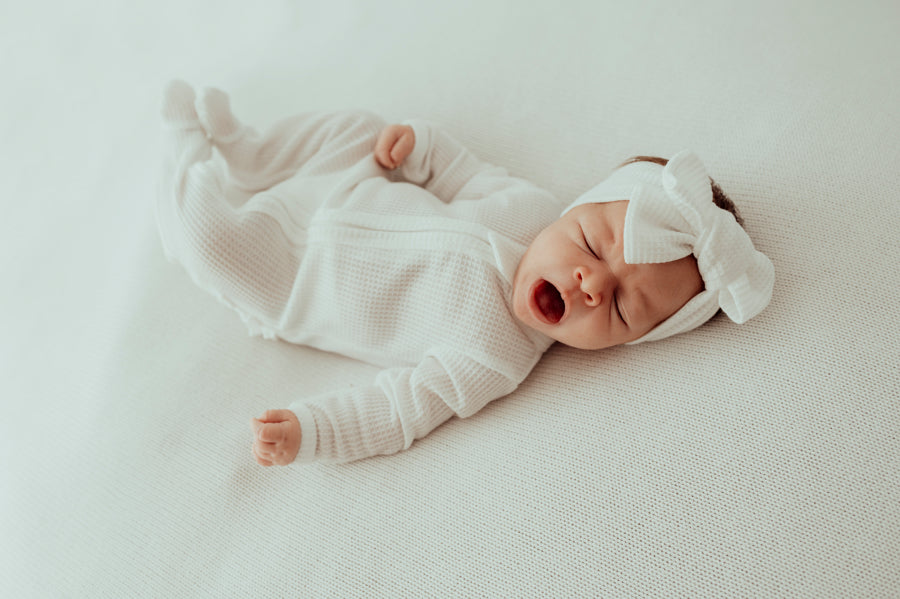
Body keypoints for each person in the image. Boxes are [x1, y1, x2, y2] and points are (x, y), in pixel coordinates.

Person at [157, 80, 774, 466]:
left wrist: (314, 430)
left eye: (618, 310)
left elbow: (400, 408)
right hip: (346, 186)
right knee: (357, 128)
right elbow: (461, 173)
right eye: (590, 241)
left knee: (210, 243)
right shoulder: (528, 206)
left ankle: (184, 145)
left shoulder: (494, 357)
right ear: (576, 207)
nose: (591, 283)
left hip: (294, 281)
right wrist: (417, 147)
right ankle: (244, 150)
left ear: (625, 345)